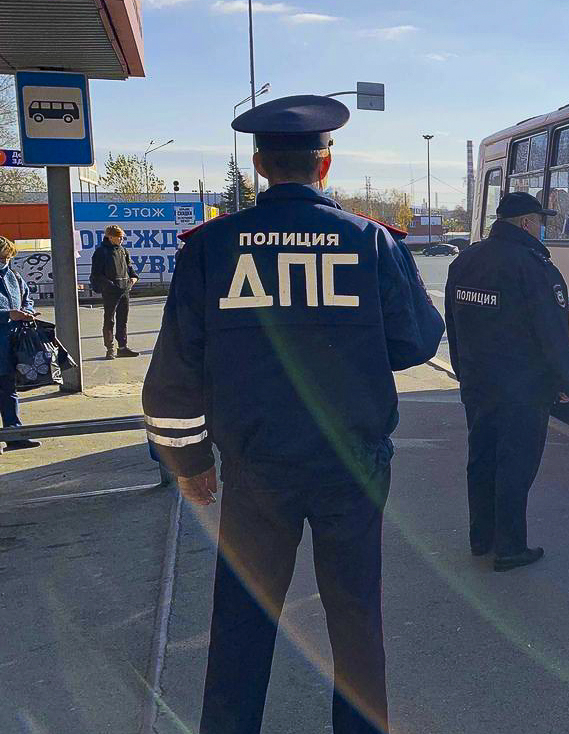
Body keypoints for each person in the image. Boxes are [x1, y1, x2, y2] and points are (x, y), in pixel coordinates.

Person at [142, 94, 444, 734]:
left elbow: (175, 371)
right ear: (325, 165)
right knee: (356, 619)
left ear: (259, 164)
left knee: (243, 619)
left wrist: (190, 464)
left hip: (257, 470)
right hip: (352, 466)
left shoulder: (213, 246)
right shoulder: (371, 242)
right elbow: (417, 340)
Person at [445, 191, 569, 572]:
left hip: (477, 383)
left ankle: (481, 538)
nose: (542, 227)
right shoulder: (534, 268)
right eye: (540, 220)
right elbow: (552, 334)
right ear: (525, 223)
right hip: (522, 388)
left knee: (482, 458)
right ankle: (509, 547)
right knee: (515, 465)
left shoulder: (466, 261)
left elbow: (452, 326)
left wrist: (463, 371)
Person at [0, 237, 40, 452]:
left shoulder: (14, 276)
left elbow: (27, 298)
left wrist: (28, 311)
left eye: (8, 257)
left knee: (9, 390)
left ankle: (14, 435)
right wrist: (8, 314)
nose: (5, 260)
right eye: (2, 257)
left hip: (11, 343)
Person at [90, 223, 140, 359]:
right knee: (109, 320)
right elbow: (96, 274)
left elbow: (130, 269)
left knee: (123, 320)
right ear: (110, 237)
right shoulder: (101, 252)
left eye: (122, 238)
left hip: (125, 290)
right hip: (111, 292)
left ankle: (122, 347)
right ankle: (109, 348)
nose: (121, 240)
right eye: (119, 237)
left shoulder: (123, 251)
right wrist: (110, 286)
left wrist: (133, 279)